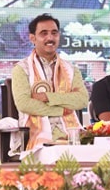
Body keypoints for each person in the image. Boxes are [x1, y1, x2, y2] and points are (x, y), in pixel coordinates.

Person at [11, 13, 88, 148]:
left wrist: (48, 96)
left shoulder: (71, 69)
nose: (50, 38)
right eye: (44, 33)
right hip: (36, 136)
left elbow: (81, 100)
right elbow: (24, 104)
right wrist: (62, 110)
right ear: (32, 38)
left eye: (54, 33)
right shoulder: (22, 69)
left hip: (70, 135)